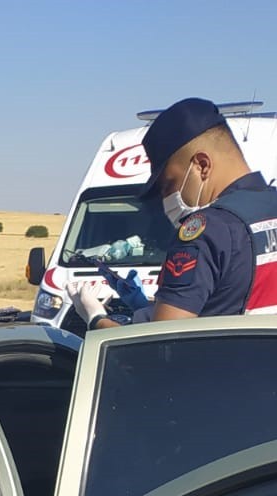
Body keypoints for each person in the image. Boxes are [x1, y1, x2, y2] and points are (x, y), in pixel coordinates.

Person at [69, 97, 277, 329]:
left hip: (224, 364)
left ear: (202, 165)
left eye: (169, 184)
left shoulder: (208, 230)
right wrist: (144, 307)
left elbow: (161, 345)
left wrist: (95, 318)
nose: (166, 197)